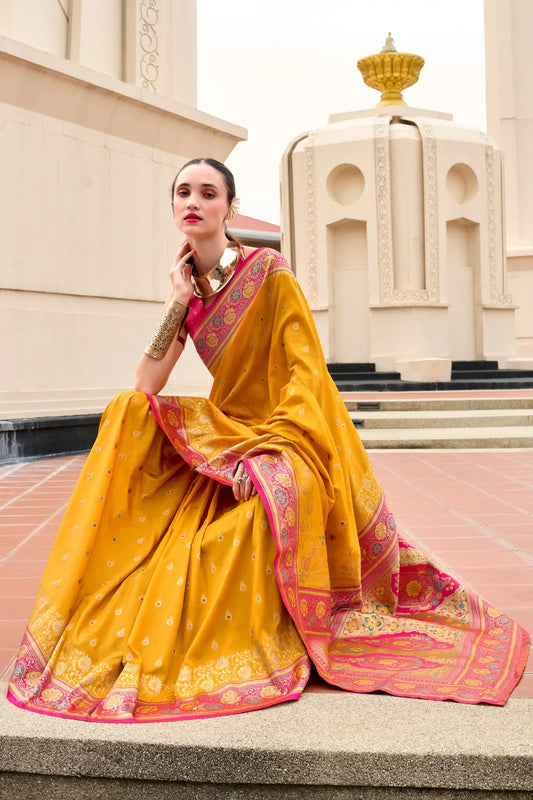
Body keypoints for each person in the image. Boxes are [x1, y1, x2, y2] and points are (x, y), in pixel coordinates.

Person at [8, 158, 528, 722]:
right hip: (230, 431)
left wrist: (269, 450)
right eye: (183, 192)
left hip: (294, 432)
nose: (194, 202)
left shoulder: (268, 271)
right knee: (126, 412)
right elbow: (145, 385)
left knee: (269, 500)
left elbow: (306, 376)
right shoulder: (194, 292)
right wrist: (177, 301)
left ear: (228, 208)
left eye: (208, 193)